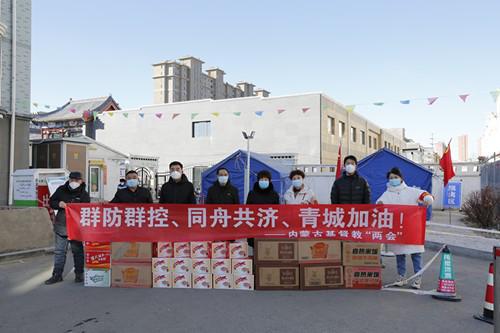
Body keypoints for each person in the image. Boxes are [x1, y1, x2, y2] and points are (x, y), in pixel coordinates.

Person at [376, 167, 434, 289]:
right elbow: (379, 205)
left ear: (401, 178)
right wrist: (379, 206)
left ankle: (418, 277)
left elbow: (424, 195)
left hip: (412, 228)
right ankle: (401, 277)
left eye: (395, 177)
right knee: (400, 254)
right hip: (397, 229)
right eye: (391, 178)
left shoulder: (411, 191)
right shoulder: (387, 194)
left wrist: (427, 199)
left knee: (416, 254)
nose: (393, 180)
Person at [45, 171, 90, 285]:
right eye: (72, 180)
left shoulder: (84, 194)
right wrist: (58, 203)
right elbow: (51, 201)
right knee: (60, 252)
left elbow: (86, 209)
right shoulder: (61, 189)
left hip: (76, 227)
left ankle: (79, 274)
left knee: (78, 251)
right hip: (61, 225)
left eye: (77, 180)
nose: (74, 182)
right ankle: (57, 275)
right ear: (69, 180)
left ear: (81, 181)